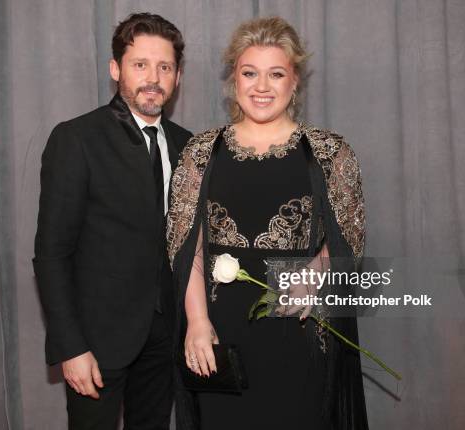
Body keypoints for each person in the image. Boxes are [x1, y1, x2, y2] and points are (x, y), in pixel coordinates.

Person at [166, 17, 368, 430]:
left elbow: (350, 238)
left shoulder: (330, 152)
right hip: (221, 334)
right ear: (234, 80)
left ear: (294, 82)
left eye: (276, 74)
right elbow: (187, 246)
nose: (262, 86)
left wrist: (317, 271)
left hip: (300, 327)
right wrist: (198, 323)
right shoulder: (200, 151)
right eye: (249, 73)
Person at [33, 13, 192, 430]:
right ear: (115, 68)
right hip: (97, 342)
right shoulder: (76, 139)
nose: (153, 78)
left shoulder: (188, 145)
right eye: (141, 64)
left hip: (165, 339)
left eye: (165, 66)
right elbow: (51, 254)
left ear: (176, 75)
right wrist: (71, 347)